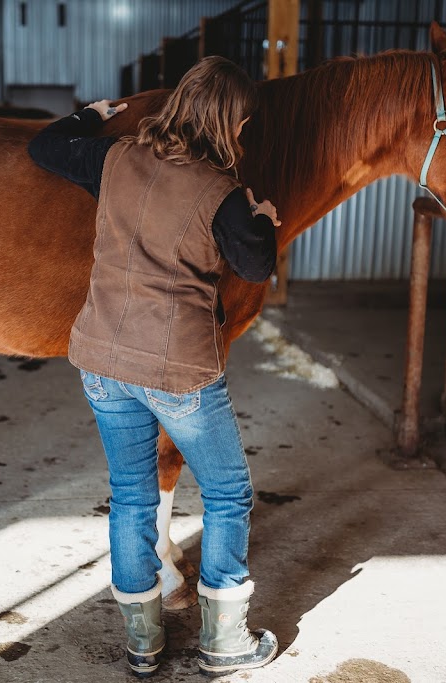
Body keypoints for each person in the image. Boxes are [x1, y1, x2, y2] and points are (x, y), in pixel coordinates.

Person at [29, 56, 279, 678]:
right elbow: (254, 267)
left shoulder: (112, 159)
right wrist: (264, 221)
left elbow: (45, 145)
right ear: (229, 124)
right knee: (227, 493)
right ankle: (223, 640)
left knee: (131, 496)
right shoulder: (222, 196)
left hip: (101, 361)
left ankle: (143, 642)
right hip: (177, 372)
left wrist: (90, 115)